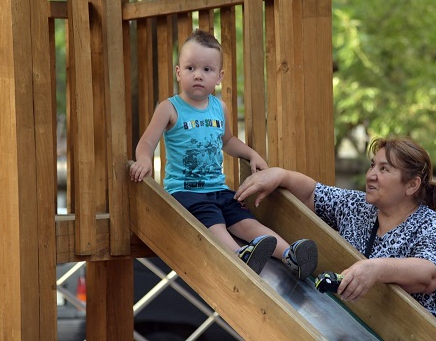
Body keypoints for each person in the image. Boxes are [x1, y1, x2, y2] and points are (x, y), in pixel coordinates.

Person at [130, 29, 317, 279]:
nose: (198, 75)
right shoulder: (169, 108)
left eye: (207, 70)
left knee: (243, 218)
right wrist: (143, 159)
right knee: (214, 222)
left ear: (219, 77)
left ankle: (289, 254)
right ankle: (240, 254)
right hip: (186, 192)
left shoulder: (220, 108)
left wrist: (252, 154)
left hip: (218, 189)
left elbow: (227, 141)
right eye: (190, 68)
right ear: (178, 72)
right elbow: (146, 142)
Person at [234, 135, 436, 331]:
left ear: (411, 185)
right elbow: (311, 193)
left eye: (384, 169)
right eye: (372, 165)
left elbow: (429, 275)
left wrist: (375, 268)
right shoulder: (357, 206)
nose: (371, 174)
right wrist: (280, 175)